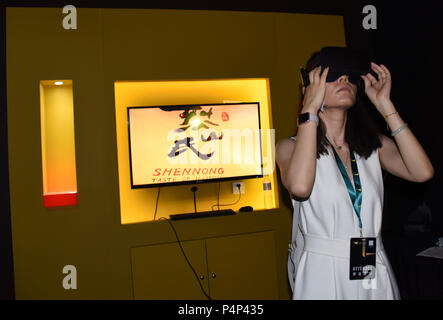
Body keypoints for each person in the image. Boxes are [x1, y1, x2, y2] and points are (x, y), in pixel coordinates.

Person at [276, 47, 434, 300]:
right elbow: (300, 187)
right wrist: (309, 110)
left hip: (372, 263)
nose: (344, 80)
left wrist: (385, 105)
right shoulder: (290, 147)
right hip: (323, 268)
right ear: (309, 87)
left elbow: (422, 172)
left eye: (349, 77)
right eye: (333, 75)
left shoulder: (373, 146)